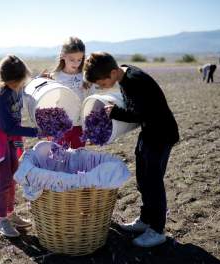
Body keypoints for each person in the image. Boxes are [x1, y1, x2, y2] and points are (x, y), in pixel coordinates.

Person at [83, 52, 179, 247]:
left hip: (161, 134)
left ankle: (157, 230)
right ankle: (146, 220)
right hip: (149, 132)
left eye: (102, 84)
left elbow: (139, 113)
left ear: (112, 72)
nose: (102, 88)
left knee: (153, 182)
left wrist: (115, 112)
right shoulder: (125, 73)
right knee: (143, 179)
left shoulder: (134, 81)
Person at [0, 55, 40, 237]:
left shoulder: (18, 86)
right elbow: (8, 127)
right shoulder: (3, 95)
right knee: (4, 179)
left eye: (19, 83)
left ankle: (10, 214)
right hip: (0, 138)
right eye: (15, 84)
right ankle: (1, 221)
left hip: (10, 137)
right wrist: (36, 132)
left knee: (13, 176)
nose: (18, 86)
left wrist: (42, 78)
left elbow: (29, 86)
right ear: (5, 80)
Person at [41, 36, 96, 148]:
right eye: (72, 59)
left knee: (77, 158)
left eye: (79, 60)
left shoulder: (86, 77)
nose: (76, 63)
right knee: (59, 157)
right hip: (60, 126)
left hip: (79, 126)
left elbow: (92, 101)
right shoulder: (55, 76)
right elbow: (46, 102)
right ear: (63, 56)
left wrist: (92, 127)